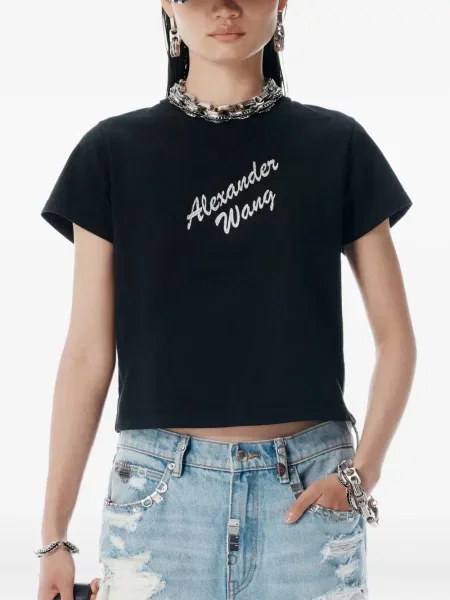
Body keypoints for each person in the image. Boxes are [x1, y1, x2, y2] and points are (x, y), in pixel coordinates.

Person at [36, 1, 416, 599]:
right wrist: (54, 536)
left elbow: (396, 339)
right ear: (167, 3)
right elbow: (86, 352)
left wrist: (361, 472)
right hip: (160, 501)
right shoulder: (112, 152)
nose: (224, 6)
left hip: (308, 494)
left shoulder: (337, 144)